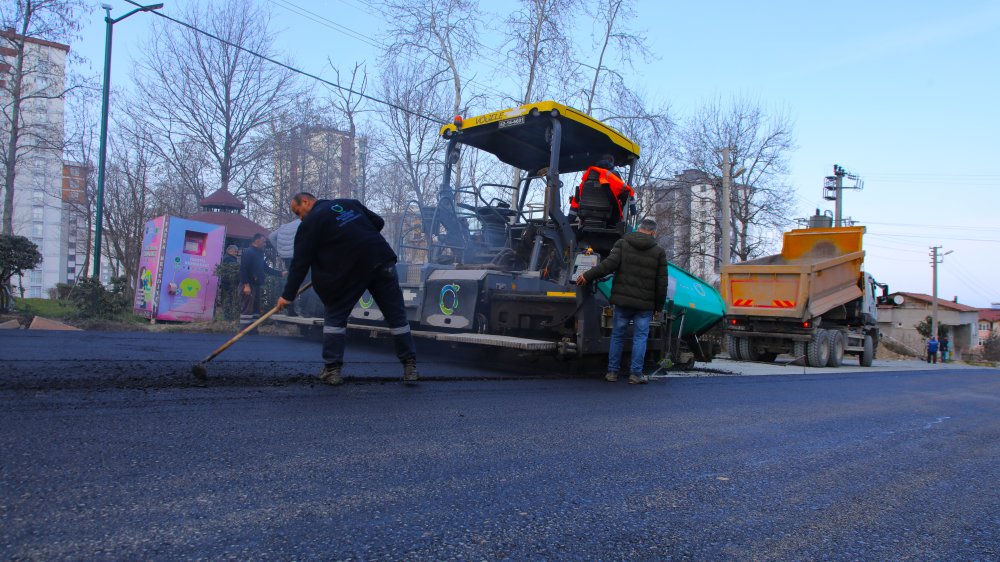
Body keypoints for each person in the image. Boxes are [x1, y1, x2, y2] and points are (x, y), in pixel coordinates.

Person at [276, 192, 418, 386]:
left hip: (351, 269)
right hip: (381, 260)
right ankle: (410, 367)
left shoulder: (310, 223)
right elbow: (378, 222)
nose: (299, 217)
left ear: (306, 202)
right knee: (397, 317)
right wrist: (356, 237)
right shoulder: (349, 203)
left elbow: (300, 263)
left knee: (335, 314)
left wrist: (287, 295)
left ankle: (332, 370)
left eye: (298, 211)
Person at [576, 218, 667, 384]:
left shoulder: (623, 244)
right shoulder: (658, 252)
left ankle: (612, 373)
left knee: (617, 336)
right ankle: (635, 374)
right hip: (644, 305)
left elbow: (607, 266)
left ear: (638, 229)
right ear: (653, 232)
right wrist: (658, 307)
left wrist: (586, 276)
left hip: (623, 302)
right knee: (640, 338)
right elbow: (662, 283)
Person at [568, 154, 635, 225]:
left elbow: (578, 195)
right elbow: (627, 190)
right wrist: (633, 210)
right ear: (611, 163)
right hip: (608, 217)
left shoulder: (588, 173)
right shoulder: (613, 175)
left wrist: (570, 219)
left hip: (586, 215)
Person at [239, 233, 283, 332]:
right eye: (263, 241)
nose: (265, 244)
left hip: (256, 285)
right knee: (247, 309)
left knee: (255, 309)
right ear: (257, 240)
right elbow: (243, 269)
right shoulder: (248, 252)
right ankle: (243, 332)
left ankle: (253, 330)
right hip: (249, 285)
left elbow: (265, 268)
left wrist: (280, 273)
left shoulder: (259, 253)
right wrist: (246, 285)